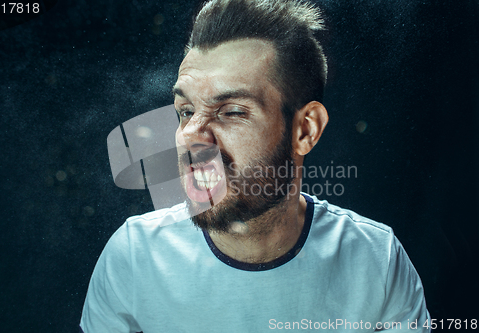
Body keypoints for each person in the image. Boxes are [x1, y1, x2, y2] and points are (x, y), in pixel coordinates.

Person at [80, 0, 431, 332]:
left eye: (232, 112)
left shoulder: (377, 262)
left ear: (305, 130)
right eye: (186, 112)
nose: (190, 138)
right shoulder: (133, 257)